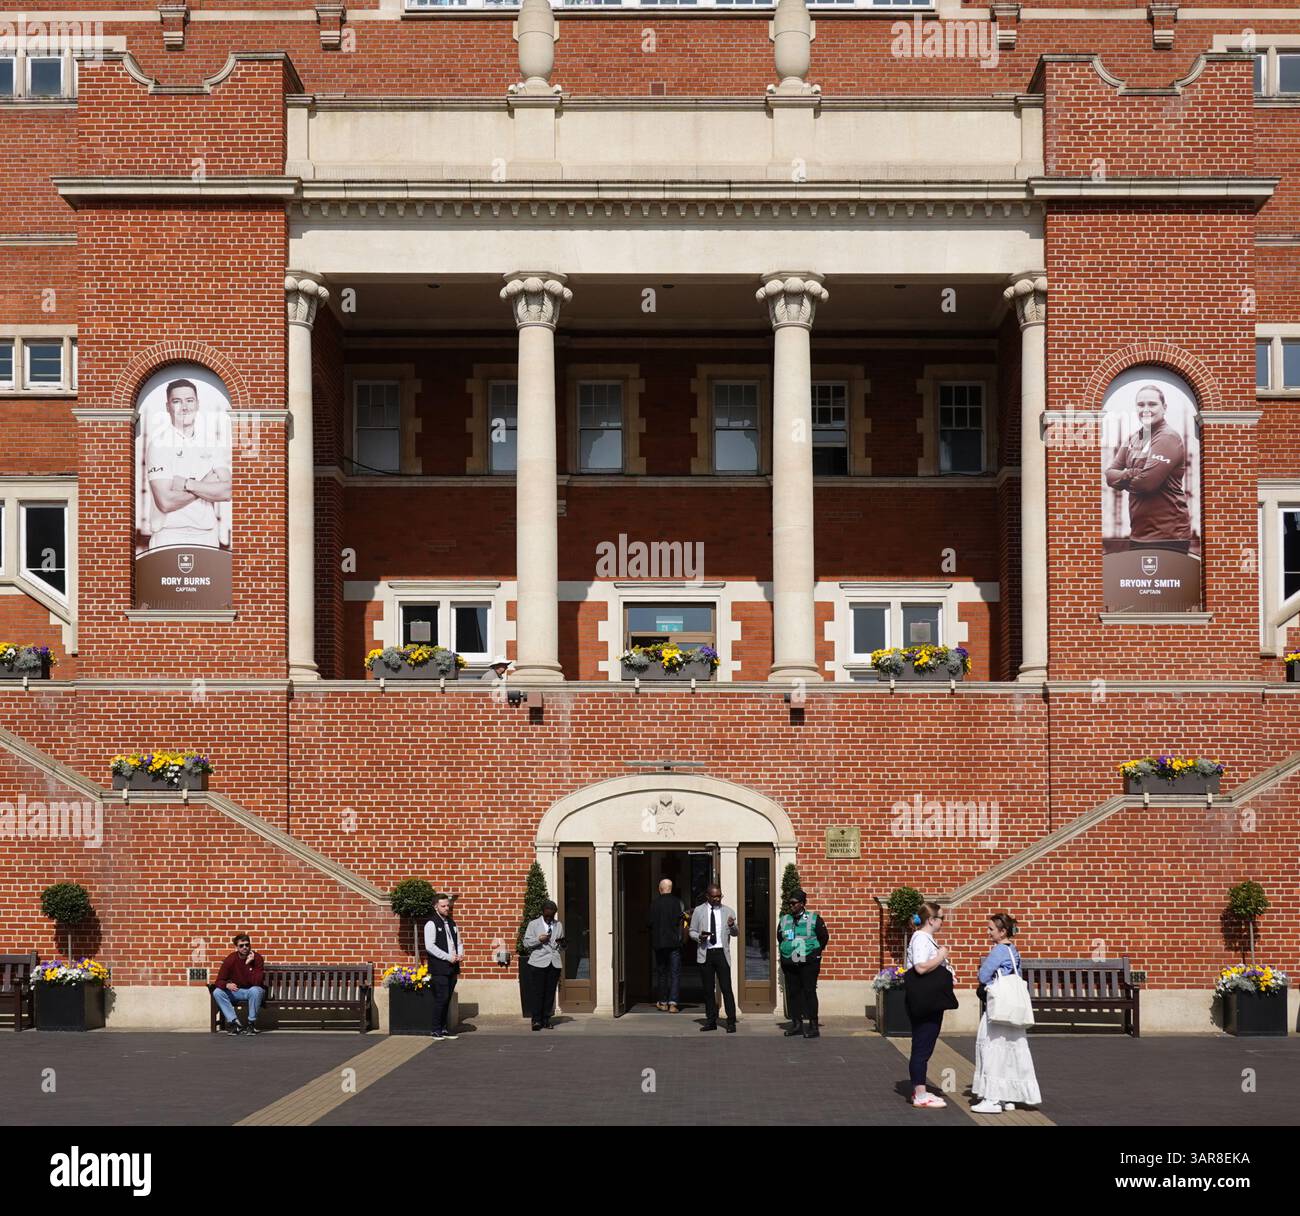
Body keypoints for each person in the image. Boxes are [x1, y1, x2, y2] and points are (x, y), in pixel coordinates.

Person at [145, 378, 232, 551]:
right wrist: (206, 486)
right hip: (168, 535)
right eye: (177, 401)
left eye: (189, 401)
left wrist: (188, 484)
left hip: (206, 535)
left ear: (197, 404)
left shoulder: (211, 443)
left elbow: (227, 491)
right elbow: (165, 502)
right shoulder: (159, 444)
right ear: (167, 406)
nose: (184, 407)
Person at [1104, 383, 1192, 553]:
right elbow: (1109, 475)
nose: (1146, 409)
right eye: (1141, 404)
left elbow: (1146, 484)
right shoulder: (1133, 439)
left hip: (1169, 536)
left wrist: (1124, 478)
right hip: (1139, 535)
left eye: (1152, 404)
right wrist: (1134, 473)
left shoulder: (1168, 437)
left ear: (1164, 407)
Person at [971, 912, 1042, 1114]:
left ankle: (993, 1099)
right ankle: (1007, 1097)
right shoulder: (1013, 950)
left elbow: (983, 975)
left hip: (998, 1010)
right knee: (1010, 1052)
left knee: (992, 1049)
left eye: (991, 929)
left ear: (1002, 932)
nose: (988, 932)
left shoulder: (998, 950)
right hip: (1012, 1010)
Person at [905, 901, 952, 1108]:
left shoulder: (925, 938)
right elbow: (921, 967)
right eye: (941, 917)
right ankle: (920, 1093)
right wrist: (941, 956)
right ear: (931, 920)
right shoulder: (921, 939)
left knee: (924, 1045)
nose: (943, 921)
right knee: (922, 1046)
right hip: (925, 1000)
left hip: (930, 1000)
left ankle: (920, 1091)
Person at [778, 888, 829, 1039]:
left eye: (794, 903)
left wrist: (815, 954)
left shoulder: (814, 919)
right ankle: (796, 1024)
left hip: (808, 962)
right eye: (789, 903)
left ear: (802, 904)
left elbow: (823, 937)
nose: (791, 906)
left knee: (809, 992)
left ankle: (813, 1026)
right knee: (793, 993)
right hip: (790, 961)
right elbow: (780, 938)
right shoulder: (785, 919)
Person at [689, 884, 738, 1032]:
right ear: (707, 897)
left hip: (722, 954)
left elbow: (736, 933)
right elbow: (692, 931)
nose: (717, 899)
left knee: (726, 988)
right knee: (708, 990)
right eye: (714, 897)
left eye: (719, 896)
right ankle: (711, 1021)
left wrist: (732, 925)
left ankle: (731, 1022)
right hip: (706, 954)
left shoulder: (728, 911)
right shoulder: (698, 911)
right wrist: (699, 937)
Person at [423, 893, 465, 1041]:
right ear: (436, 907)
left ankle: (444, 1028)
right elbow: (430, 946)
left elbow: (459, 942)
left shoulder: (452, 923)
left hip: (452, 967)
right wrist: (448, 957)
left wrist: (460, 954)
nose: (447, 908)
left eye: (448, 905)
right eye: (443, 906)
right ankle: (435, 1030)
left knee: (447, 999)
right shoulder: (431, 924)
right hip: (439, 968)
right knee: (441, 998)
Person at [211, 933, 265, 1036]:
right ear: (236, 947)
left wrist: (248, 964)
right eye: (241, 945)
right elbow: (219, 981)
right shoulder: (231, 959)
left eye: (247, 945)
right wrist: (227, 985)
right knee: (217, 992)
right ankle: (235, 1023)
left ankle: (251, 1024)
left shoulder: (257, 958)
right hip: (237, 991)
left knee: (256, 990)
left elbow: (257, 982)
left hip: (252, 991)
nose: (245, 947)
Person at [522, 899, 565, 1030]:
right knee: (537, 992)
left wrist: (563, 945)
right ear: (543, 912)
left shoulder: (559, 925)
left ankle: (546, 1019)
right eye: (547, 914)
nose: (549, 917)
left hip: (554, 963)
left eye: (552, 915)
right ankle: (536, 1021)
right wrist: (538, 940)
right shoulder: (533, 924)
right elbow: (526, 943)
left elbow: (561, 945)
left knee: (550, 993)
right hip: (538, 962)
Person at [648, 878, 686, 1013]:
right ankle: (673, 1004)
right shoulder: (678, 902)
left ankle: (663, 1002)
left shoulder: (654, 903)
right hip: (675, 943)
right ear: (671, 888)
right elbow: (681, 921)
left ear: (660, 888)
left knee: (662, 973)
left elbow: (650, 923)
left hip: (659, 943)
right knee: (675, 973)